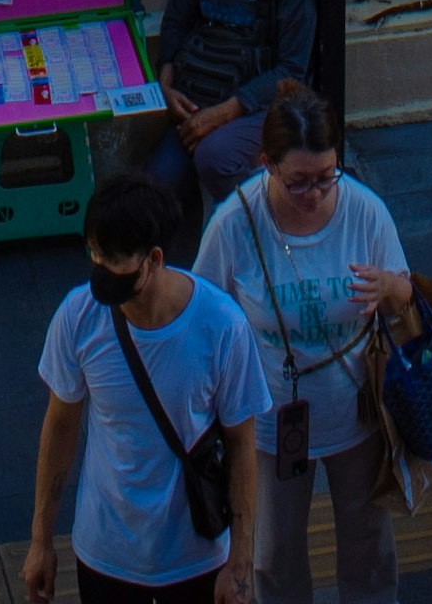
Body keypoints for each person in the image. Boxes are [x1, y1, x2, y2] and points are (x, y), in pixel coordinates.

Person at [191, 84, 417, 603]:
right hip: (271, 422)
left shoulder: (365, 212)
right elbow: (203, 320)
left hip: (357, 413)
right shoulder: (234, 225)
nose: (315, 194)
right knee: (275, 554)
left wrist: (391, 289)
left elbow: (408, 297)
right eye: (298, 183)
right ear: (266, 163)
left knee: (369, 543)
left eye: (326, 177)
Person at [26, 166, 267, 604]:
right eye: (94, 253)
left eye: (114, 259)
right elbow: (60, 425)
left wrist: (241, 561)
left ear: (153, 259)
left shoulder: (222, 325)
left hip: (197, 556)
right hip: (105, 554)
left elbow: (242, 443)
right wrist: (41, 540)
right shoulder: (78, 317)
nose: (99, 269)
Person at [128, 0, 320, 240]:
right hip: (196, 95)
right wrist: (167, 81)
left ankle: (271, 223)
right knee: (153, 191)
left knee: (214, 157)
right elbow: (178, 17)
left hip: (255, 102)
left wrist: (224, 113)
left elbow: (292, 69)